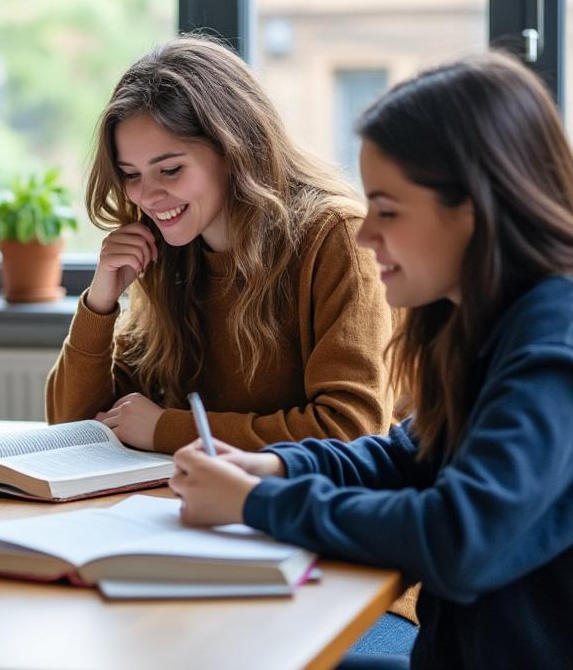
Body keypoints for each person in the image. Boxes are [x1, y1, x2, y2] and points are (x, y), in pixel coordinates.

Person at [169, 51, 573, 669]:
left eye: (386, 209)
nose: (364, 234)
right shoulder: (487, 325)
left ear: (473, 208)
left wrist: (256, 505)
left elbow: (459, 537)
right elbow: (407, 453)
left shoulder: (551, 348)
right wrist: (275, 467)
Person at [45, 36, 394, 455]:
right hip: (204, 503)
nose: (148, 196)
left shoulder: (336, 237)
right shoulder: (169, 254)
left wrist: (169, 430)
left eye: (170, 170)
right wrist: (99, 303)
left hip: (319, 510)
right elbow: (74, 432)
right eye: (131, 175)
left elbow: (353, 429)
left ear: (234, 150)